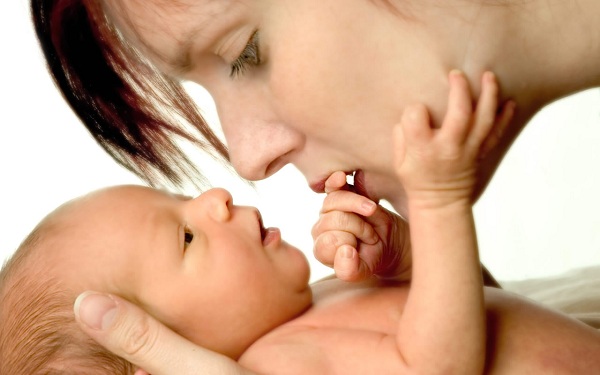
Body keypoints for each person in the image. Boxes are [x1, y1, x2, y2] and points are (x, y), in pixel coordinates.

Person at [28, 0, 600, 369]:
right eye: (185, 239)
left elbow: (485, 316)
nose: (240, 170)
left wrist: (410, 264)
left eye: (243, 52)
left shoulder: (324, 304)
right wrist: (436, 206)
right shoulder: (283, 361)